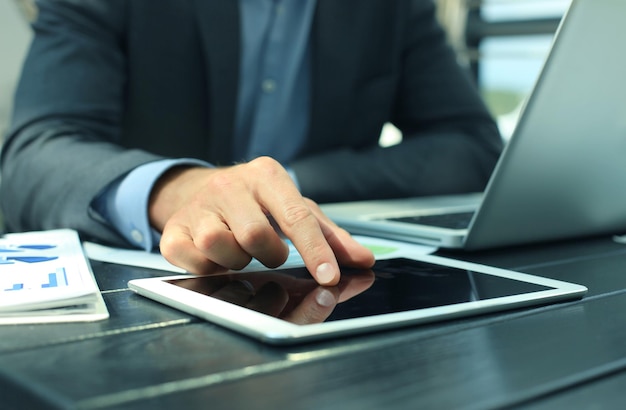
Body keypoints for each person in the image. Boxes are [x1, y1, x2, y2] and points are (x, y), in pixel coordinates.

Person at [0, 0, 503, 286]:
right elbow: (33, 153)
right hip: (145, 296)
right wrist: (177, 189)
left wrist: (284, 187)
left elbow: (472, 145)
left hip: (326, 297)